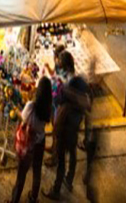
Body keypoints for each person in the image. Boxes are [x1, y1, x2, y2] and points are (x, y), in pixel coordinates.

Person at [43, 52, 90, 201]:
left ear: (65, 66)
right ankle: (68, 180)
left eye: (60, 66)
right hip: (75, 125)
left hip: (66, 125)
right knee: (73, 153)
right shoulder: (79, 81)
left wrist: (57, 88)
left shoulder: (67, 87)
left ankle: (56, 189)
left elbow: (57, 100)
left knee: (62, 159)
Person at [11, 77, 52, 203]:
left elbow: (23, 118)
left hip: (28, 145)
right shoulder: (48, 108)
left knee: (21, 175)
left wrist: (16, 109)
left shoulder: (31, 106)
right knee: (37, 170)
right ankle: (34, 197)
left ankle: (14, 200)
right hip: (40, 141)